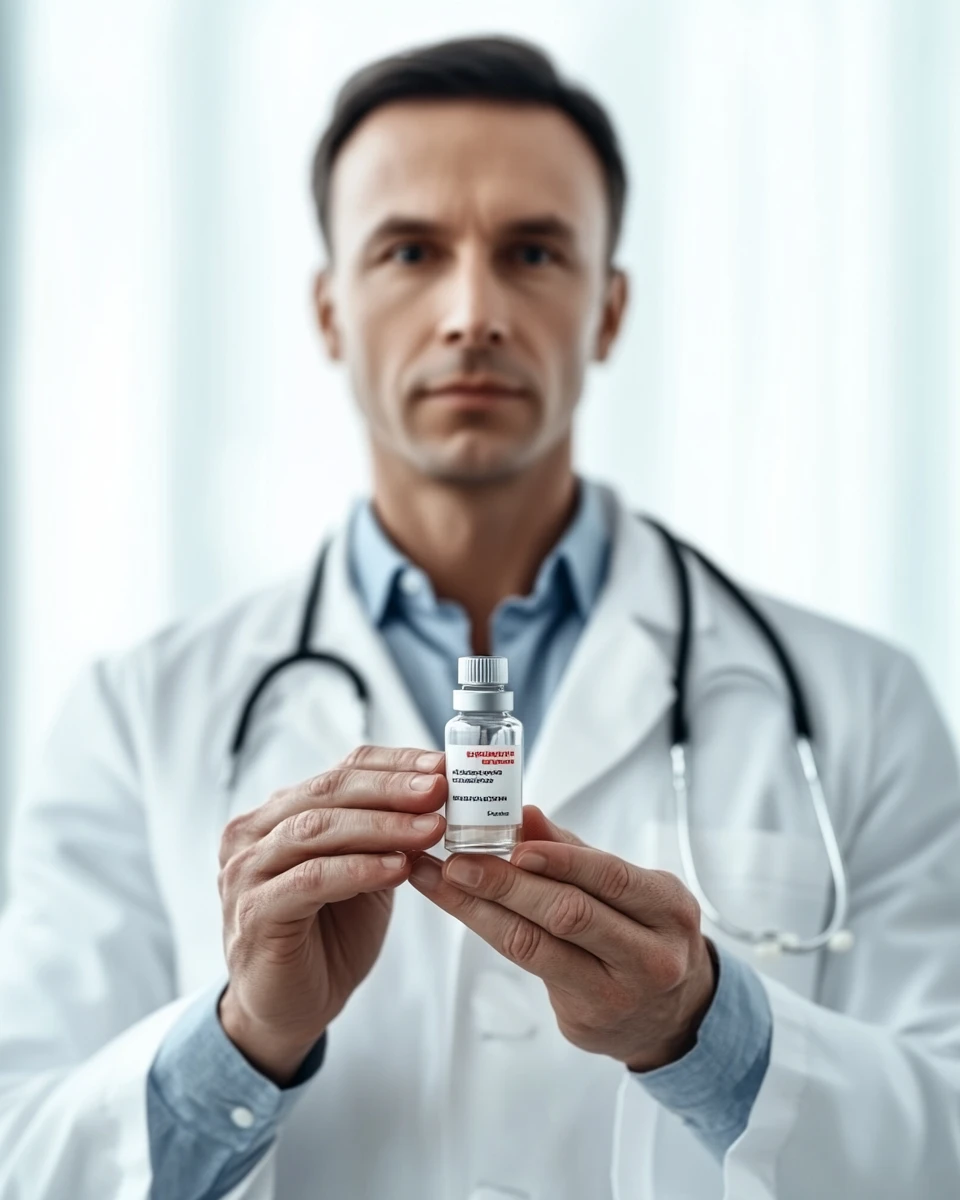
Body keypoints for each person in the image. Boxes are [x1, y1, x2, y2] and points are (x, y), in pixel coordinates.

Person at [1, 34, 959, 1200]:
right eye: (410, 250)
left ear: (608, 310)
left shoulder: (863, 703)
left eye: (533, 251)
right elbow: (27, 1160)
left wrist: (707, 1032)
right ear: (328, 310)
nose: (472, 310)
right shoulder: (133, 714)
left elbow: (944, 1145)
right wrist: (244, 1035)